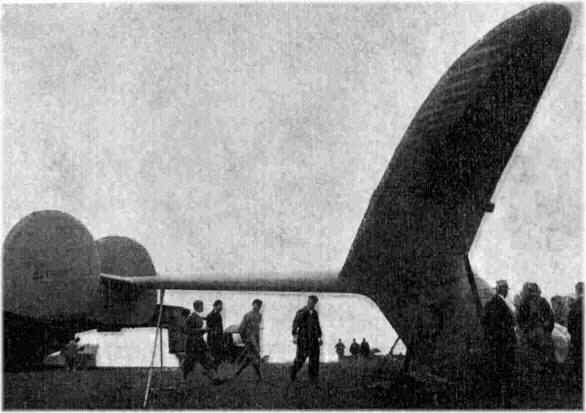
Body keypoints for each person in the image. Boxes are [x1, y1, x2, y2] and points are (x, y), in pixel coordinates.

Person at [481, 280, 517, 408]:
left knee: (499, 371)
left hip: (495, 343)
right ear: (503, 290)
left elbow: (484, 322)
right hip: (505, 342)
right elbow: (509, 322)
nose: (507, 291)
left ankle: (499, 400)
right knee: (506, 372)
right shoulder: (503, 303)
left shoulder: (489, 304)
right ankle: (506, 401)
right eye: (506, 289)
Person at [182, 300, 222, 384]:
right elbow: (186, 330)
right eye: (201, 306)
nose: (203, 307)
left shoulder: (198, 317)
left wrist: (204, 331)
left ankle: (215, 378)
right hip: (192, 343)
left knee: (206, 360)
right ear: (197, 307)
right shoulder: (191, 317)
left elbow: (198, 331)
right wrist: (201, 330)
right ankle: (184, 379)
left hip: (199, 342)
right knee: (189, 362)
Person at [289, 295, 323, 384]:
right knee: (300, 359)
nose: (310, 304)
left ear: (315, 303)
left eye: (313, 303)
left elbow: (317, 326)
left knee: (314, 360)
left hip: (314, 340)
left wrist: (319, 337)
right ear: (307, 302)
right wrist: (295, 336)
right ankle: (293, 373)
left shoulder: (315, 313)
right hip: (303, 340)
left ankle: (313, 379)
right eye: (309, 302)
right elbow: (295, 324)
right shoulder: (301, 312)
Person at [233, 299, 263, 382]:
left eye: (259, 305)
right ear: (253, 305)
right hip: (249, 340)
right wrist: (245, 339)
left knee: (250, 358)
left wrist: (257, 340)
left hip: (256, 339)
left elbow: (257, 329)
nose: (257, 307)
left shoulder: (259, 316)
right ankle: (259, 377)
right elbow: (241, 328)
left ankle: (238, 372)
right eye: (256, 305)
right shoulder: (247, 315)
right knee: (254, 357)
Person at [568, 282, 583, 385]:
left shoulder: (575, 305)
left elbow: (570, 325)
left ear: (577, 290)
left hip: (577, 337)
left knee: (578, 361)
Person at [206, 299, 224, 368]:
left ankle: (215, 368)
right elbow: (209, 328)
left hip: (218, 338)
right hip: (212, 338)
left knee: (217, 356)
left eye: (221, 306)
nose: (221, 307)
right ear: (215, 306)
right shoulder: (210, 315)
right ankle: (212, 368)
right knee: (213, 354)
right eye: (220, 305)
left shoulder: (218, 315)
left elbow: (220, 327)